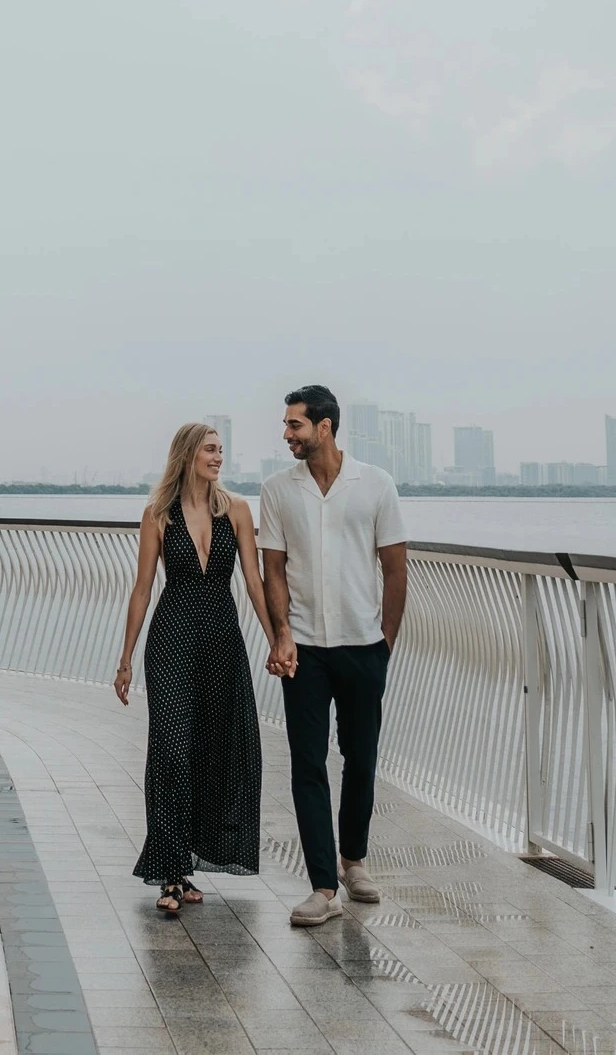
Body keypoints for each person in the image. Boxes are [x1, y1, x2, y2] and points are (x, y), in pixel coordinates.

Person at [115, 421, 279, 913]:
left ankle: (186, 864)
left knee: (215, 750)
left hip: (222, 643)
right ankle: (169, 871)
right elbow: (142, 589)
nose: (218, 457)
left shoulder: (238, 511)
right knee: (171, 750)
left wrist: (277, 640)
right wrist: (125, 659)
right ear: (187, 455)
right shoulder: (157, 514)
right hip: (172, 640)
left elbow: (253, 582)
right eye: (210, 449)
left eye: (221, 450)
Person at [260, 384, 407, 927]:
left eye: (295, 424)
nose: (286, 433)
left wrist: (385, 642)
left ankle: (354, 860)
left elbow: (395, 567)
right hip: (303, 649)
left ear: (324, 427)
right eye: (286, 424)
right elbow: (273, 569)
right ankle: (323, 886)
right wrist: (282, 633)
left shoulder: (376, 484)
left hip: (363, 646)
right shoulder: (277, 489)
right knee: (307, 763)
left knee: (361, 758)